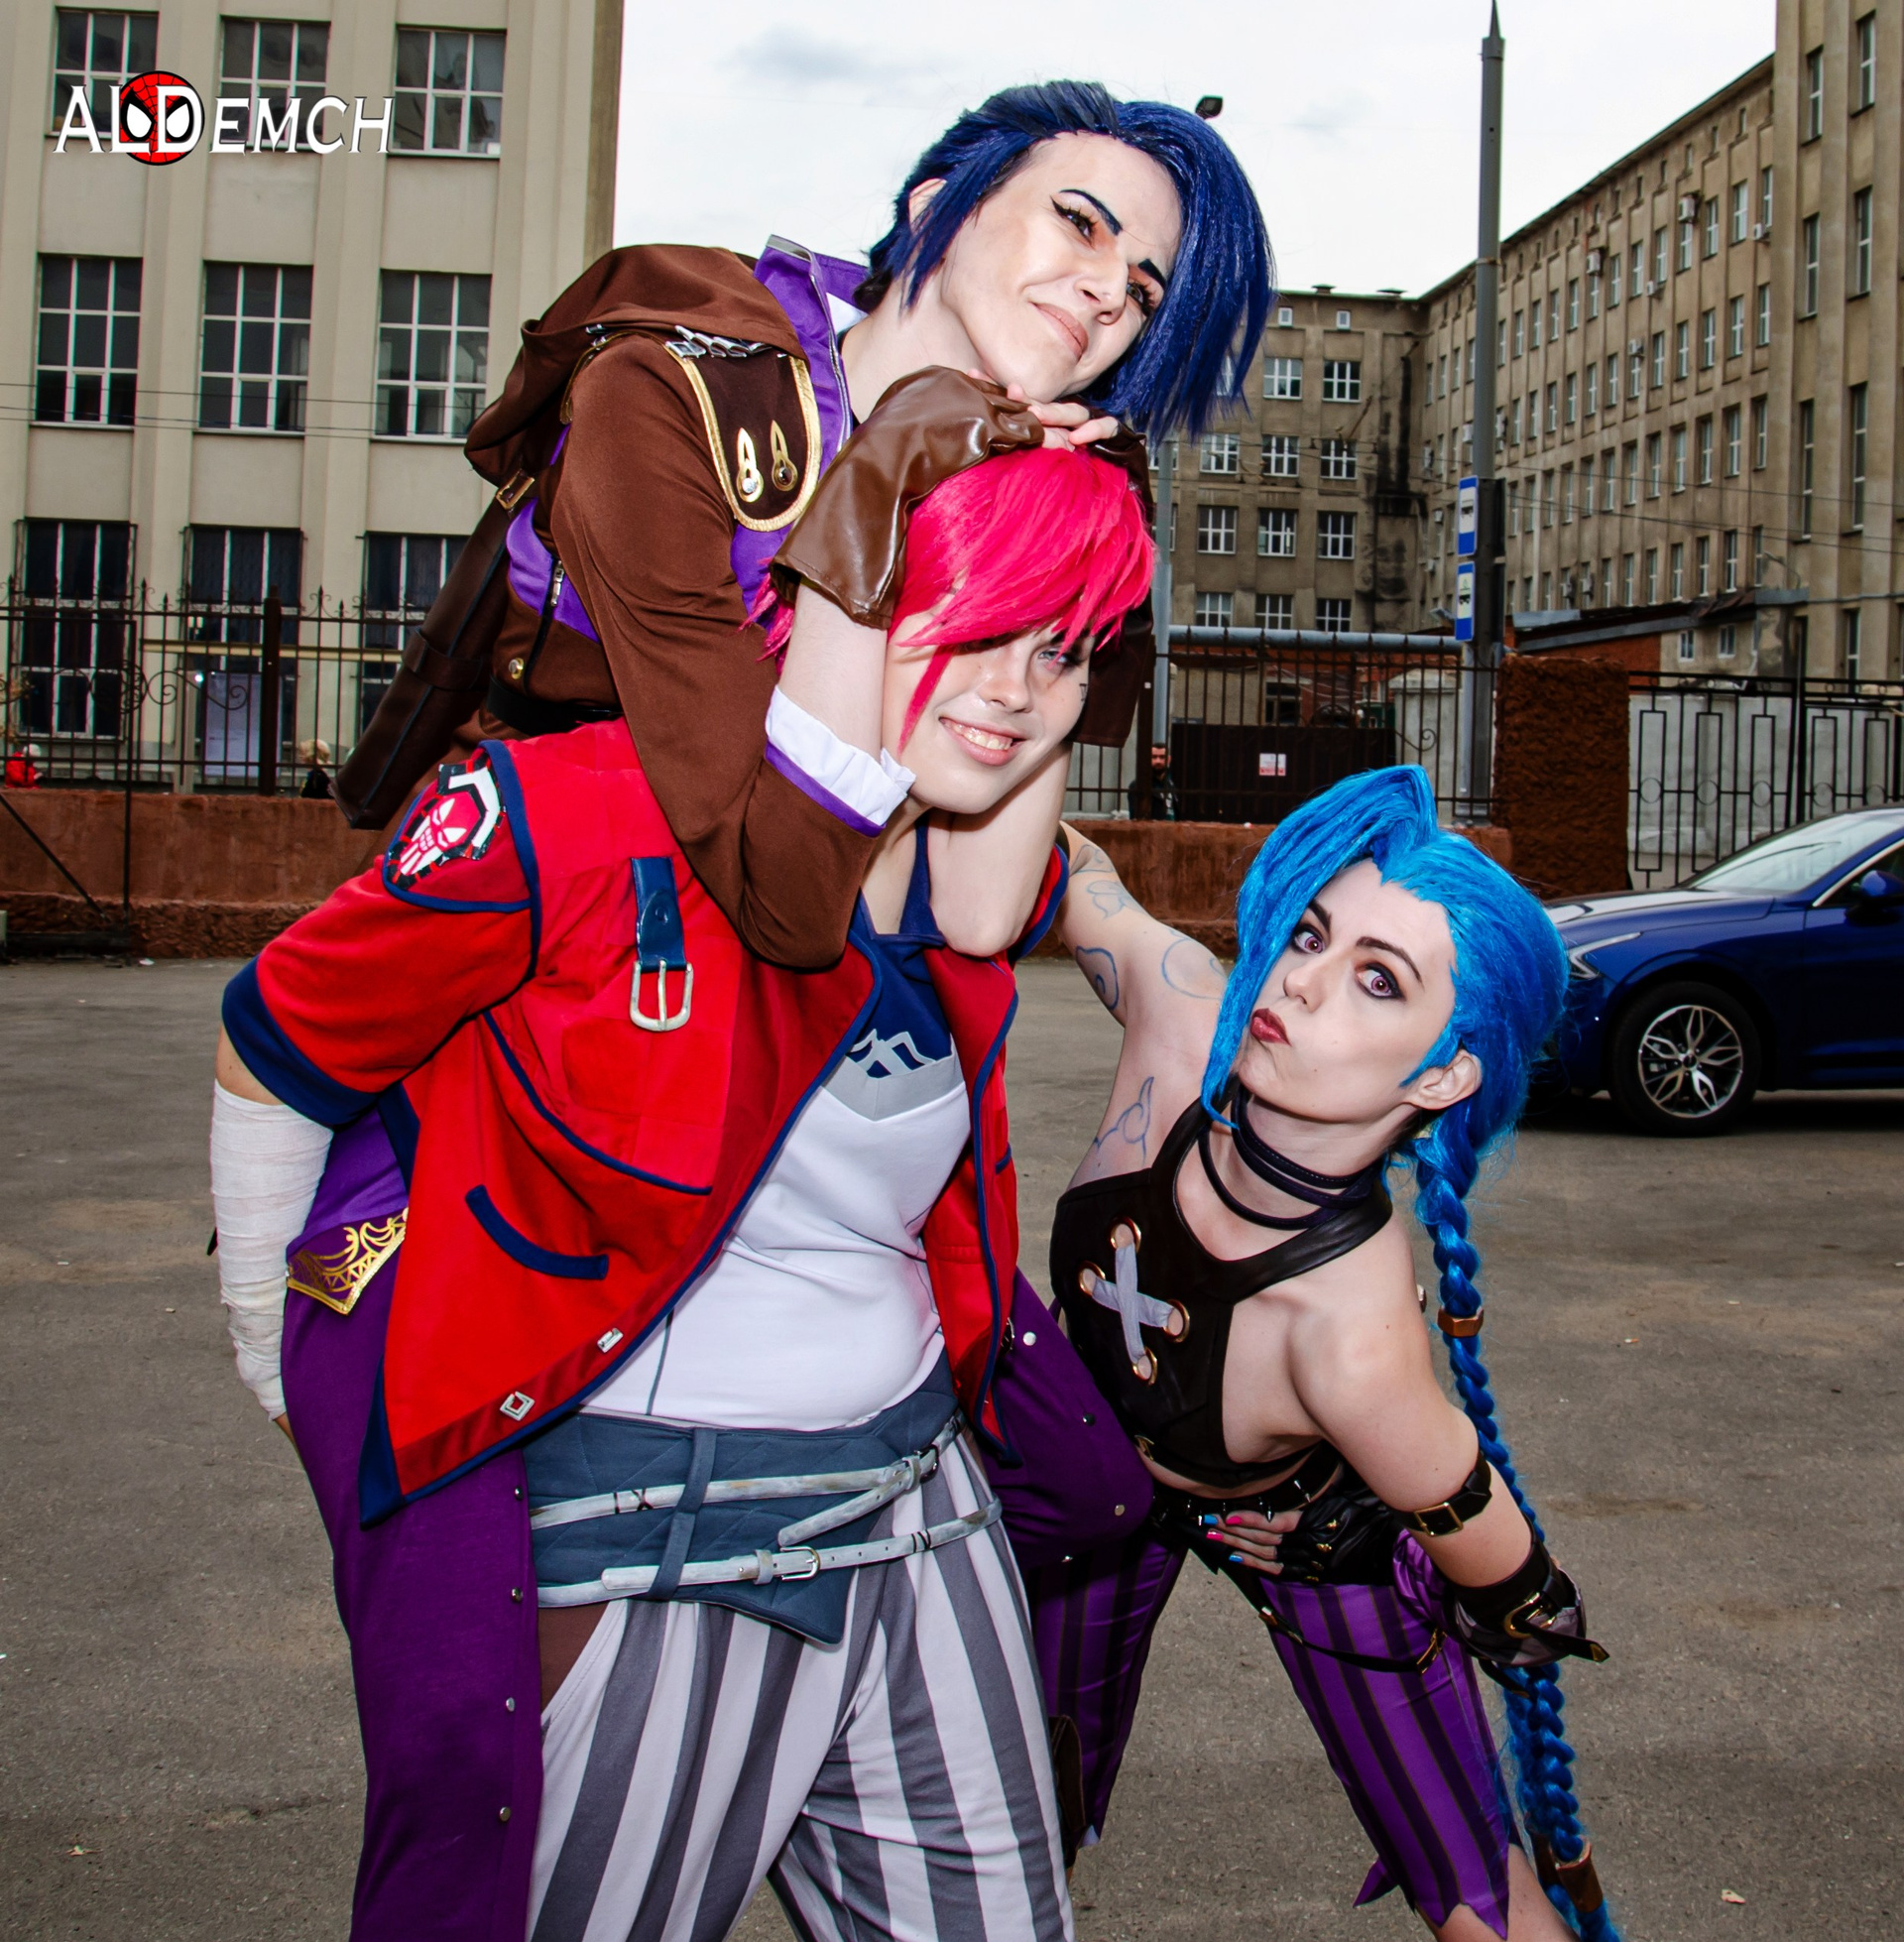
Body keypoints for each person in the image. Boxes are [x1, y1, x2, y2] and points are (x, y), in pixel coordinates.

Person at [209, 440, 1153, 1942]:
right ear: (843, 596)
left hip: (925, 1513)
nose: (1018, 689)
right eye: (973, 620)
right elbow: (281, 1034)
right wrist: (282, 1350)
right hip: (663, 1543)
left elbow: (1056, 875)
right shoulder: (575, 810)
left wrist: (1157, 964)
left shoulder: (964, 868)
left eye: (1063, 651)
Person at [340, 77, 1271, 972]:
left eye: (1143, 293)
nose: (1109, 293)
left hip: (757, 996)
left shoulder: (1009, 472)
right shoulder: (670, 392)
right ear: (939, 209)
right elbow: (782, 901)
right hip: (527, 934)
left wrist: (1076, 538)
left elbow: (981, 911)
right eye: (1079, 222)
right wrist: (878, 477)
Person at [1033, 766, 1619, 1942]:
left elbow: (1516, 1580)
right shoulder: (1180, 1017)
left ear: (1442, 1072)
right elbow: (1070, 868)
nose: (1299, 979)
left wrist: (1389, 1544)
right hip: (1083, 1480)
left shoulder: (1353, 1341)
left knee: (1475, 1893)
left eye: (1376, 978)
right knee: (1005, 1810)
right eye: (1310, 933)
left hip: (1304, 1529)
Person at [1126, 741, 1178, 819]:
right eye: (1154, 757)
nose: (1158, 761)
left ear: (1168, 759)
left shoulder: (1171, 783)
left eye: (1162, 757)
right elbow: (1136, 818)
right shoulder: (1138, 786)